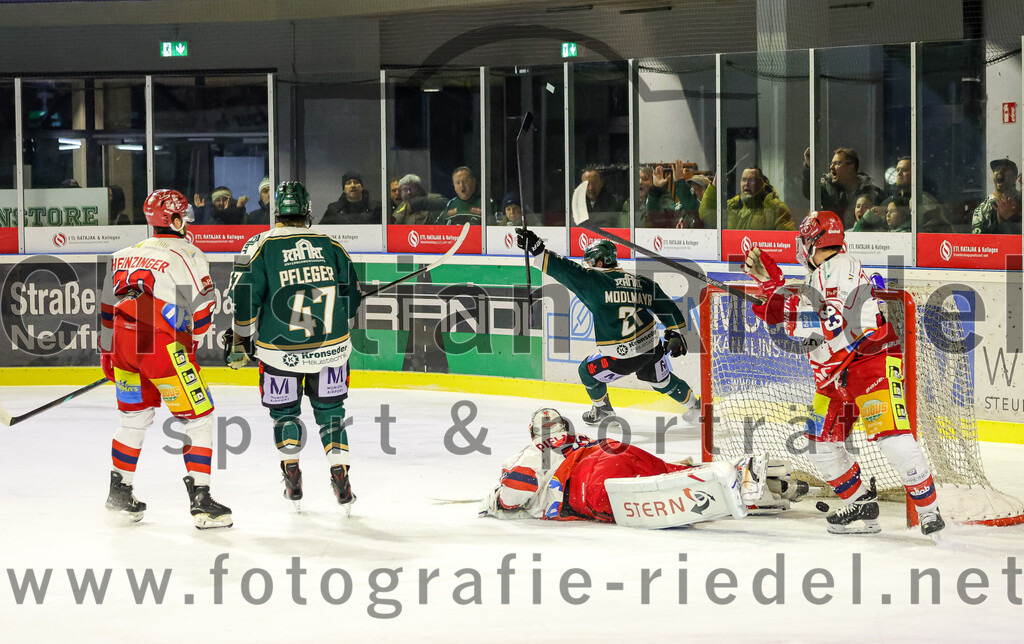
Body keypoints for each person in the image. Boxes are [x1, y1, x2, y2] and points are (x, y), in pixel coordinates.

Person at [742, 210, 944, 536]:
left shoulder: (843, 267)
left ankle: (929, 510)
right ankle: (862, 505)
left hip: (869, 363)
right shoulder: (819, 276)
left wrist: (776, 293)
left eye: (805, 241)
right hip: (832, 379)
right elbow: (802, 319)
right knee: (818, 442)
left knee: (891, 439)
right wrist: (773, 290)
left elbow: (826, 323)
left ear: (814, 242)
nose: (801, 248)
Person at [98, 189, 232, 529]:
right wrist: (190, 347)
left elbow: (106, 309)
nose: (187, 221)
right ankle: (201, 501)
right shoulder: (187, 253)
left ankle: (120, 493)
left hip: (125, 347)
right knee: (199, 418)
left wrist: (107, 352)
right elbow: (201, 310)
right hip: (161, 346)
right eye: (183, 215)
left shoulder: (123, 254)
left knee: (133, 419)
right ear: (172, 219)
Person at [226, 181, 363, 511]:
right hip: (331, 350)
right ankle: (339, 473)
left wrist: (240, 342)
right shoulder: (331, 244)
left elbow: (243, 298)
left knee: (284, 415)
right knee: (332, 415)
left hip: (279, 353)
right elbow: (353, 299)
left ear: (277, 212)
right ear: (307, 212)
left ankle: (291, 471)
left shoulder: (259, 244)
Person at [480, 408, 801, 526]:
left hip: (586, 482)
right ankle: (747, 475)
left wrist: (496, 502)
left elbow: (515, 492)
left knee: (669, 496)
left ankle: (740, 491)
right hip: (613, 448)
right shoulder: (580, 439)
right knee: (670, 471)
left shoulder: (533, 452)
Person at [515, 230, 698, 428]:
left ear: (600, 263)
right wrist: (675, 331)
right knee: (662, 381)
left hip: (621, 358)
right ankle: (697, 408)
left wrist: (538, 250)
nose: (588, 266)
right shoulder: (641, 282)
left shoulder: (594, 281)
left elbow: (567, 270)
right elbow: (665, 304)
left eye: (591, 262)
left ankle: (603, 411)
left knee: (586, 370)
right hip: (651, 348)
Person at [802, 147, 886, 229]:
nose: (831, 167)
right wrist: (808, 166)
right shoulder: (827, 187)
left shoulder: (870, 191)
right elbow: (809, 192)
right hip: (833, 238)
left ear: (851, 167)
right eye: (831, 164)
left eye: (836, 163)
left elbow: (888, 209)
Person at [700, 167, 795, 230]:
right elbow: (706, 215)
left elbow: (786, 242)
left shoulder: (776, 208)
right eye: (744, 180)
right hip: (735, 258)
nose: (746, 184)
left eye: (751, 180)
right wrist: (713, 188)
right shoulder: (733, 205)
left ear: (761, 183)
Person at [638, 162, 702, 229]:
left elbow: (693, 207)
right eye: (691, 188)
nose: (694, 191)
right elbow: (655, 217)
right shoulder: (678, 208)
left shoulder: (706, 211)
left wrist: (680, 183)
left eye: (699, 189)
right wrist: (655, 190)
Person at [972, 158, 1023, 235]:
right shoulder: (983, 209)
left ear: (1015, 178)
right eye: (996, 169)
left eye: (1005, 169)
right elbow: (978, 242)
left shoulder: (1021, 201)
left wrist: (1012, 218)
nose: (1000, 171)